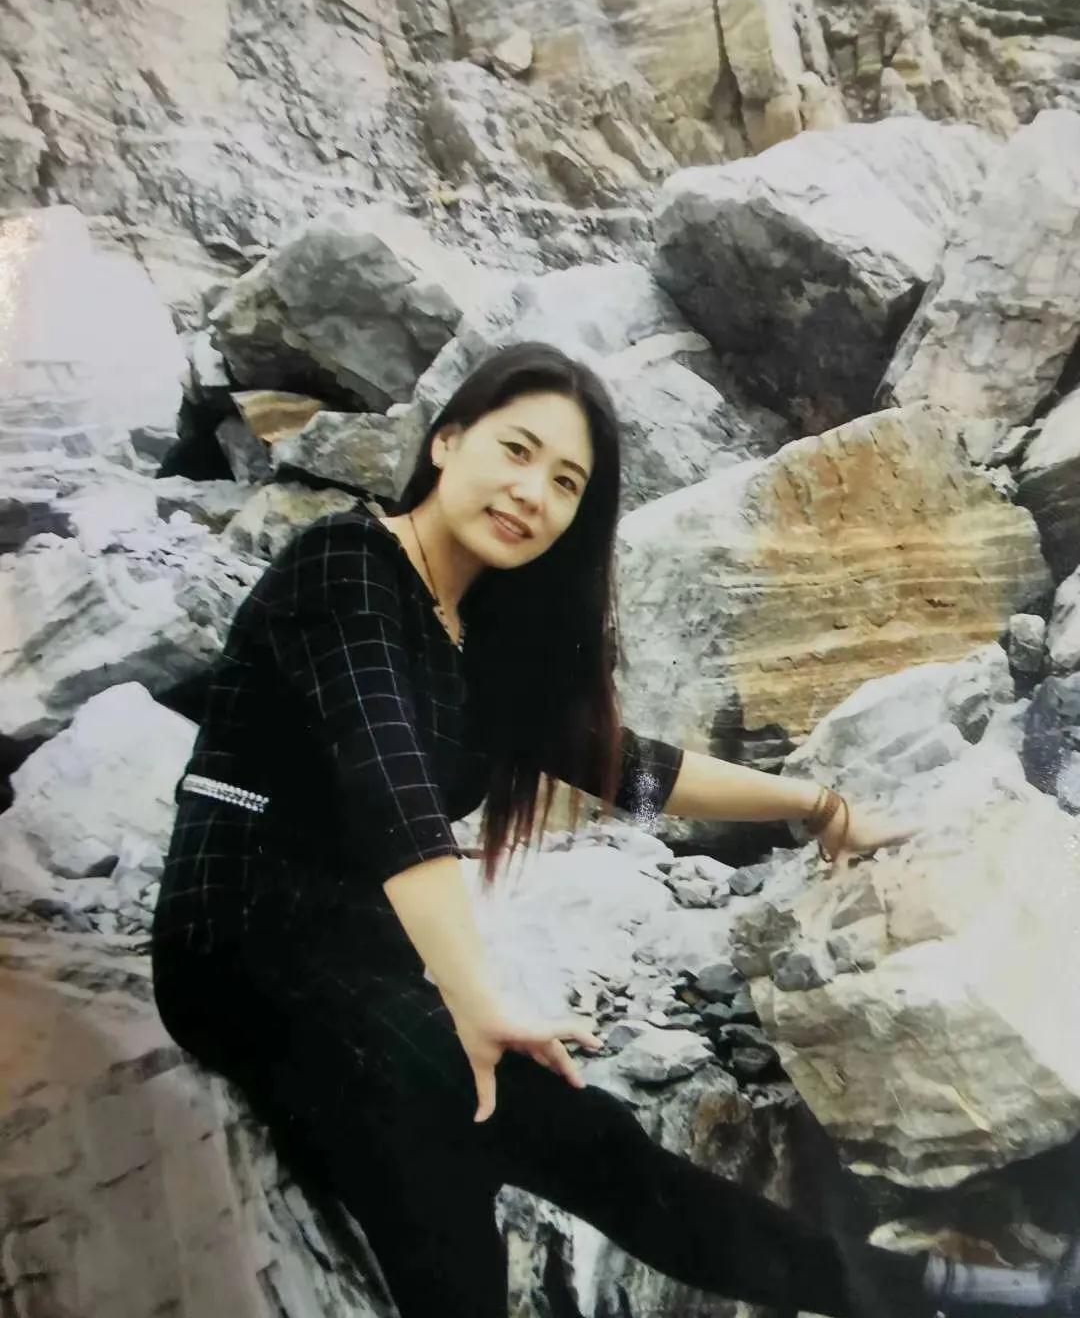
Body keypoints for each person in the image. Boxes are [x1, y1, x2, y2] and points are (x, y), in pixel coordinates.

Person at [151, 343, 1079, 1318]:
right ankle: (940, 1294)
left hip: (361, 949)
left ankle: (924, 1292)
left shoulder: (476, 635)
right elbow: (391, 792)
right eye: (516, 451)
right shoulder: (346, 566)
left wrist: (817, 807)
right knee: (491, 1130)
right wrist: (476, 999)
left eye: (566, 483)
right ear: (448, 439)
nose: (532, 494)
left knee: (531, 1151)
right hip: (240, 941)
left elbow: (627, 772)